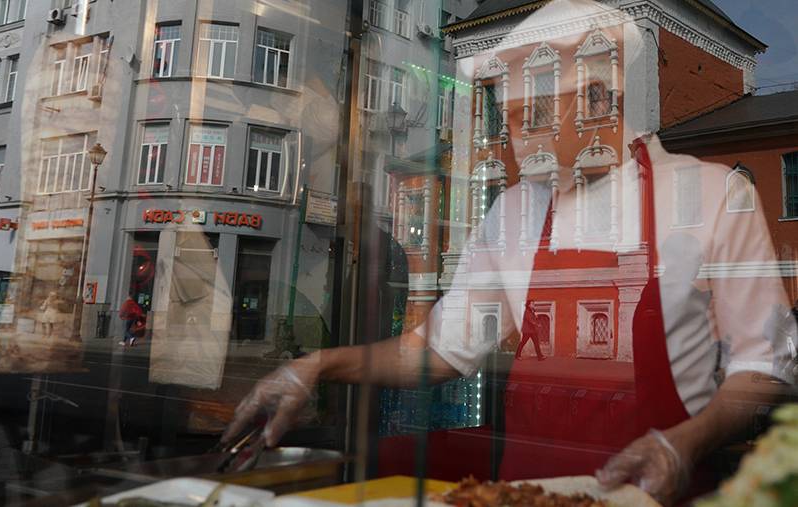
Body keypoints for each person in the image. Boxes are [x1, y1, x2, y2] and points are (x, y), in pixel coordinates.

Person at [224, 2, 795, 505]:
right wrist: (317, 366)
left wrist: (683, 444)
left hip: (651, 495)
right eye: (509, 116)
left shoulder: (712, 194)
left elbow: (765, 367)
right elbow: (439, 352)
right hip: (524, 492)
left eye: (531, 115)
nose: (518, 139)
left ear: (598, 97)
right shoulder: (514, 211)